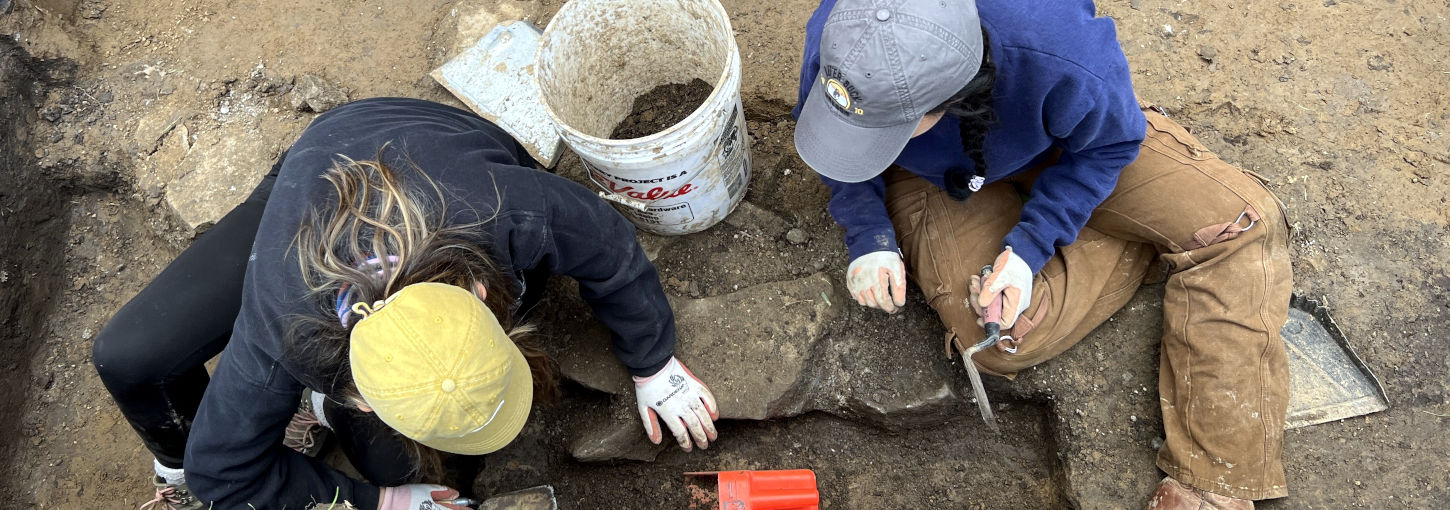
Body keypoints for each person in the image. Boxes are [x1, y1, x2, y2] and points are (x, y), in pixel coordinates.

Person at [92, 98, 720, 510]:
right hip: (308, 190)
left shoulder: (504, 208)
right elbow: (221, 475)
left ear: (477, 292)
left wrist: (654, 364)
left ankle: (319, 429)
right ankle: (203, 451)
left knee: (390, 459)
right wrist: (381, 503)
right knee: (127, 357)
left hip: (414, 142)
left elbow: (607, 242)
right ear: (357, 393)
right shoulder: (281, 331)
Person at [792, 0, 1291, 508]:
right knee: (999, 336)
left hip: (1069, 145)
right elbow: (837, 141)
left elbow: (1110, 144)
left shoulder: (1056, 47)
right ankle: (1137, 236)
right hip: (935, 178)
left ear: (948, 98)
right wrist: (870, 235)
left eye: (884, 127)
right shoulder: (849, 34)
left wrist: (1029, 248)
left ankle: (1214, 478)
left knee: (1238, 226)